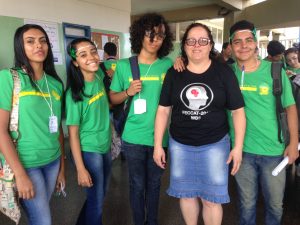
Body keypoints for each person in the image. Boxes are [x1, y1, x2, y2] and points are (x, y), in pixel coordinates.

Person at [154, 22, 246, 225]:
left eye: (203, 41)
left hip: (214, 145)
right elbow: (163, 110)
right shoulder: (173, 73)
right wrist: (158, 145)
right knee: (186, 195)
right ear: (184, 45)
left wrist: (238, 147)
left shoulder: (223, 72)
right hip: (180, 144)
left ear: (210, 44)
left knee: (211, 199)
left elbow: (237, 111)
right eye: (191, 41)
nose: (197, 45)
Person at [229, 20, 299, 225]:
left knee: (275, 206)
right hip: (241, 151)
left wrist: (293, 142)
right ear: (231, 46)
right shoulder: (226, 73)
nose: (243, 46)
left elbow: (291, 108)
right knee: (246, 204)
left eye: (248, 40)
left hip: (273, 151)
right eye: (237, 42)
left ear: (256, 43)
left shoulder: (274, 71)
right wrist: (180, 60)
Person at [109, 12, 173, 225]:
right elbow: (113, 98)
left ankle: (151, 222)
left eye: (160, 35)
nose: (155, 40)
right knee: (137, 184)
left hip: (160, 137)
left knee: (155, 185)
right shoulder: (125, 66)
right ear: (140, 35)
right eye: (150, 34)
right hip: (134, 137)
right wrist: (127, 92)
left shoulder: (168, 65)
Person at [0, 24, 65, 225]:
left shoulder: (55, 83)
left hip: (53, 159)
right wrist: (20, 174)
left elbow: (58, 129)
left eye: (42, 40)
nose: (38, 45)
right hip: (26, 162)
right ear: (20, 46)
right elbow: (1, 130)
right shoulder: (9, 78)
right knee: (43, 220)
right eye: (30, 41)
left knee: (38, 213)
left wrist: (62, 167)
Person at [65, 38, 112, 225]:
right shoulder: (75, 94)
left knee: (98, 196)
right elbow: (73, 134)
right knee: (97, 202)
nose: (91, 57)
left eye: (93, 51)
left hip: (105, 146)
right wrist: (80, 169)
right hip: (89, 150)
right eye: (83, 55)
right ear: (75, 62)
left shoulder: (99, 77)